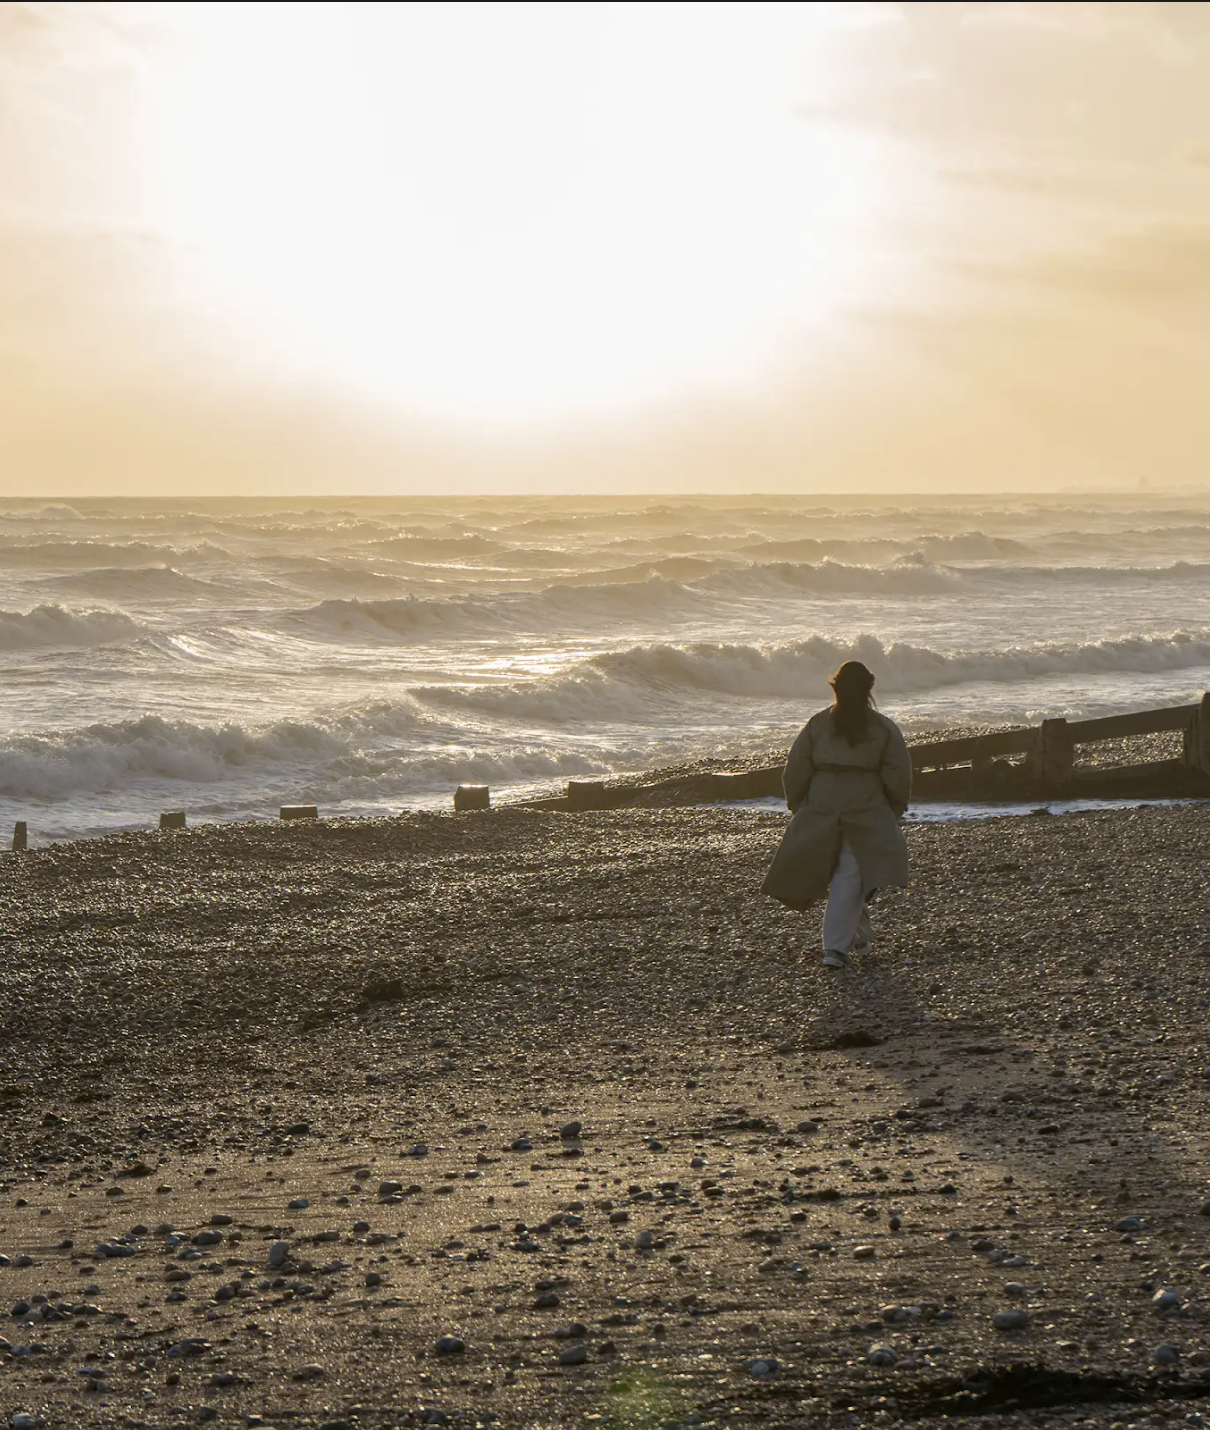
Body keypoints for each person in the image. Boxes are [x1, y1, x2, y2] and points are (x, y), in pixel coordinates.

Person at [761, 660, 911, 969]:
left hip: (821, 805)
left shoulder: (817, 724)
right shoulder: (884, 728)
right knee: (851, 873)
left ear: (836, 689)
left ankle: (859, 937)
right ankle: (835, 949)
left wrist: (799, 805)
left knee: (845, 874)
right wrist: (892, 811)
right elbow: (899, 776)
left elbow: (795, 770)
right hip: (866, 807)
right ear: (869, 690)